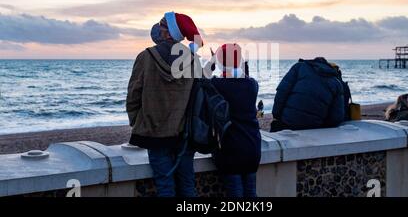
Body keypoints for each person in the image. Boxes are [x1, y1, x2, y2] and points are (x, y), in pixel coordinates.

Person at [126, 12, 206, 197]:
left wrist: (137, 122)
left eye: (161, 26)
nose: (157, 29)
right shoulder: (193, 60)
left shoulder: (145, 57)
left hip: (154, 133)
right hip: (185, 133)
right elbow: (199, 96)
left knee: (164, 185)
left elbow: (133, 95)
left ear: (168, 33)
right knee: (187, 184)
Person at [210, 43, 261, 197]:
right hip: (252, 147)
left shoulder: (217, 85)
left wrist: (212, 62)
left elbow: (201, 79)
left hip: (229, 149)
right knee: (251, 192)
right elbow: (244, 77)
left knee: (235, 193)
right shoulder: (252, 85)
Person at [270, 57, 345, 132]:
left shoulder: (299, 67)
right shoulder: (337, 83)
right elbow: (336, 117)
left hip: (287, 122)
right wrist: (322, 127)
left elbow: (282, 91)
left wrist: (276, 115)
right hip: (314, 128)